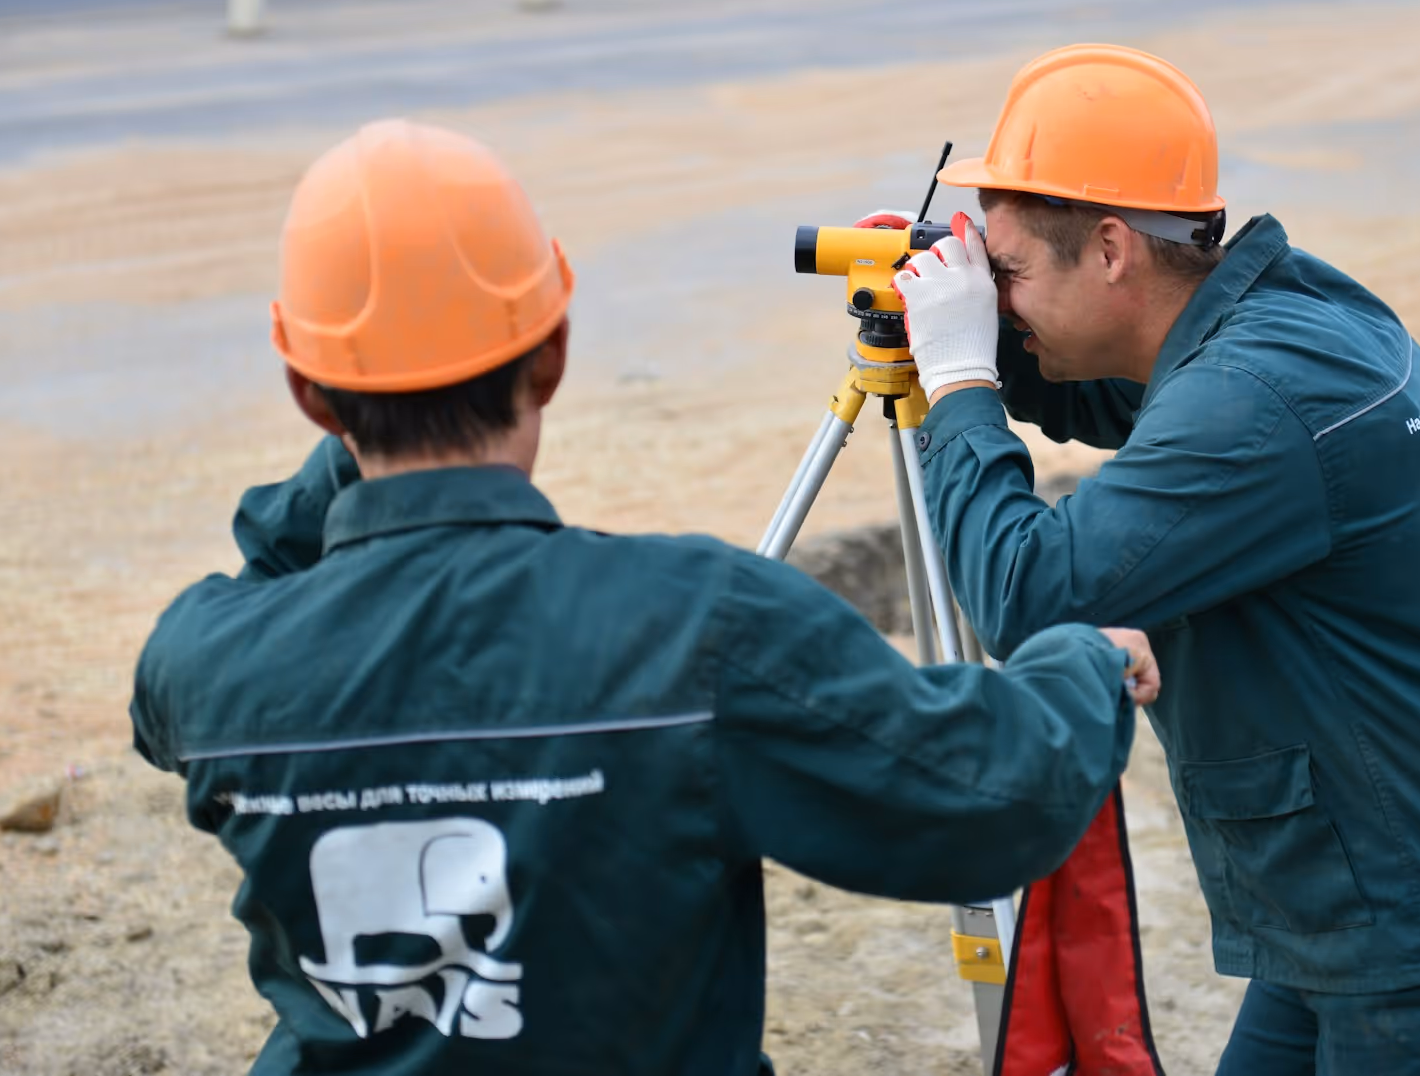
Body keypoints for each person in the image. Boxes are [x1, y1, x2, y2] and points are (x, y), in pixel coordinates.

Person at [128, 119, 1161, 1076]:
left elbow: (272, 563)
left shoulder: (208, 669)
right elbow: (991, 800)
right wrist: (1087, 664)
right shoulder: (698, 629)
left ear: (308, 393)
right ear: (553, 357)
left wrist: (373, 411)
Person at [888, 44, 1420, 1074]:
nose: (997, 301)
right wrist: (963, 314)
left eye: (1005, 277)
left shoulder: (1263, 401)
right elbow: (1108, 387)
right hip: (1370, 907)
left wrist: (954, 375)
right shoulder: (1288, 317)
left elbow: (1028, 593)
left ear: (1113, 249)